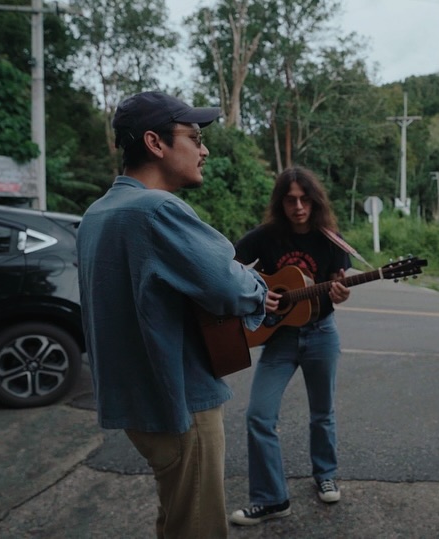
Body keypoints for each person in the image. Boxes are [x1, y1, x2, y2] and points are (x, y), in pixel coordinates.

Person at [77, 91, 275, 538]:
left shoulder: (98, 213)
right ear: (155, 142)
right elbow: (227, 286)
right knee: (198, 528)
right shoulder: (155, 210)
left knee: (177, 517)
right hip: (180, 406)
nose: (203, 150)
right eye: (193, 136)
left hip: (135, 406)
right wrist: (256, 285)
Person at [228, 166, 352, 526]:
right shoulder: (265, 237)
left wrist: (339, 293)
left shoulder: (331, 240)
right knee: (258, 416)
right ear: (280, 202)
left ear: (315, 201)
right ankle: (270, 499)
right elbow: (227, 268)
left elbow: (336, 286)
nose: (298, 206)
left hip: (321, 334)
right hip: (277, 337)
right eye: (290, 200)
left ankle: (325, 473)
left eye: (304, 199)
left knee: (322, 412)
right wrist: (257, 292)